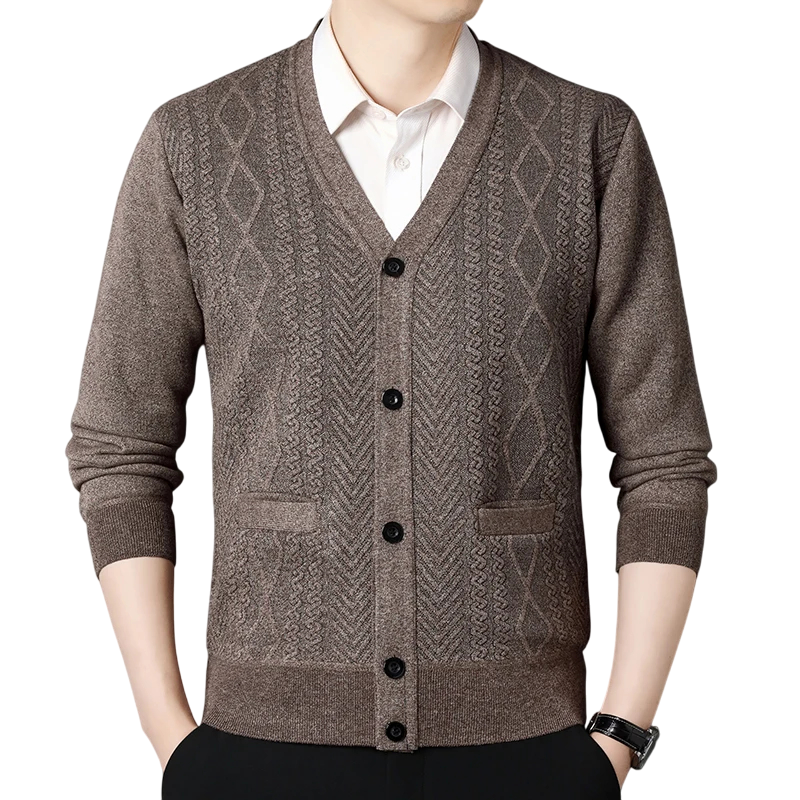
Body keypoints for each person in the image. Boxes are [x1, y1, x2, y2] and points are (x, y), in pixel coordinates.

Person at [65, 1, 718, 798]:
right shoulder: (196, 144)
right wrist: (171, 735)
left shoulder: (586, 139)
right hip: (260, 749)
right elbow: (120, 446)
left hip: (525, 750)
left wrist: (616, 737)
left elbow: (664, 459)